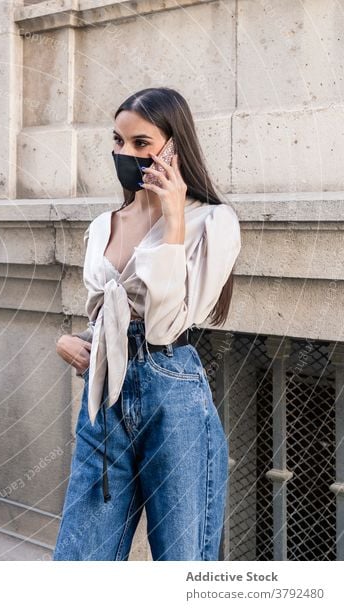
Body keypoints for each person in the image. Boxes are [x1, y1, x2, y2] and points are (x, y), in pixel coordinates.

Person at [52, 88, 241, 560]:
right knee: (79, 559)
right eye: (118, 141)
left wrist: (173, 221)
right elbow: (108, 319)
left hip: (172, 391)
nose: (125, 153)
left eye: (141, 143)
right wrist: (76, 341)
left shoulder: (213, 223)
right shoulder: (102, 226)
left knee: (180, 564)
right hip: (104, 396)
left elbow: (163, 327)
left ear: (174, 148)